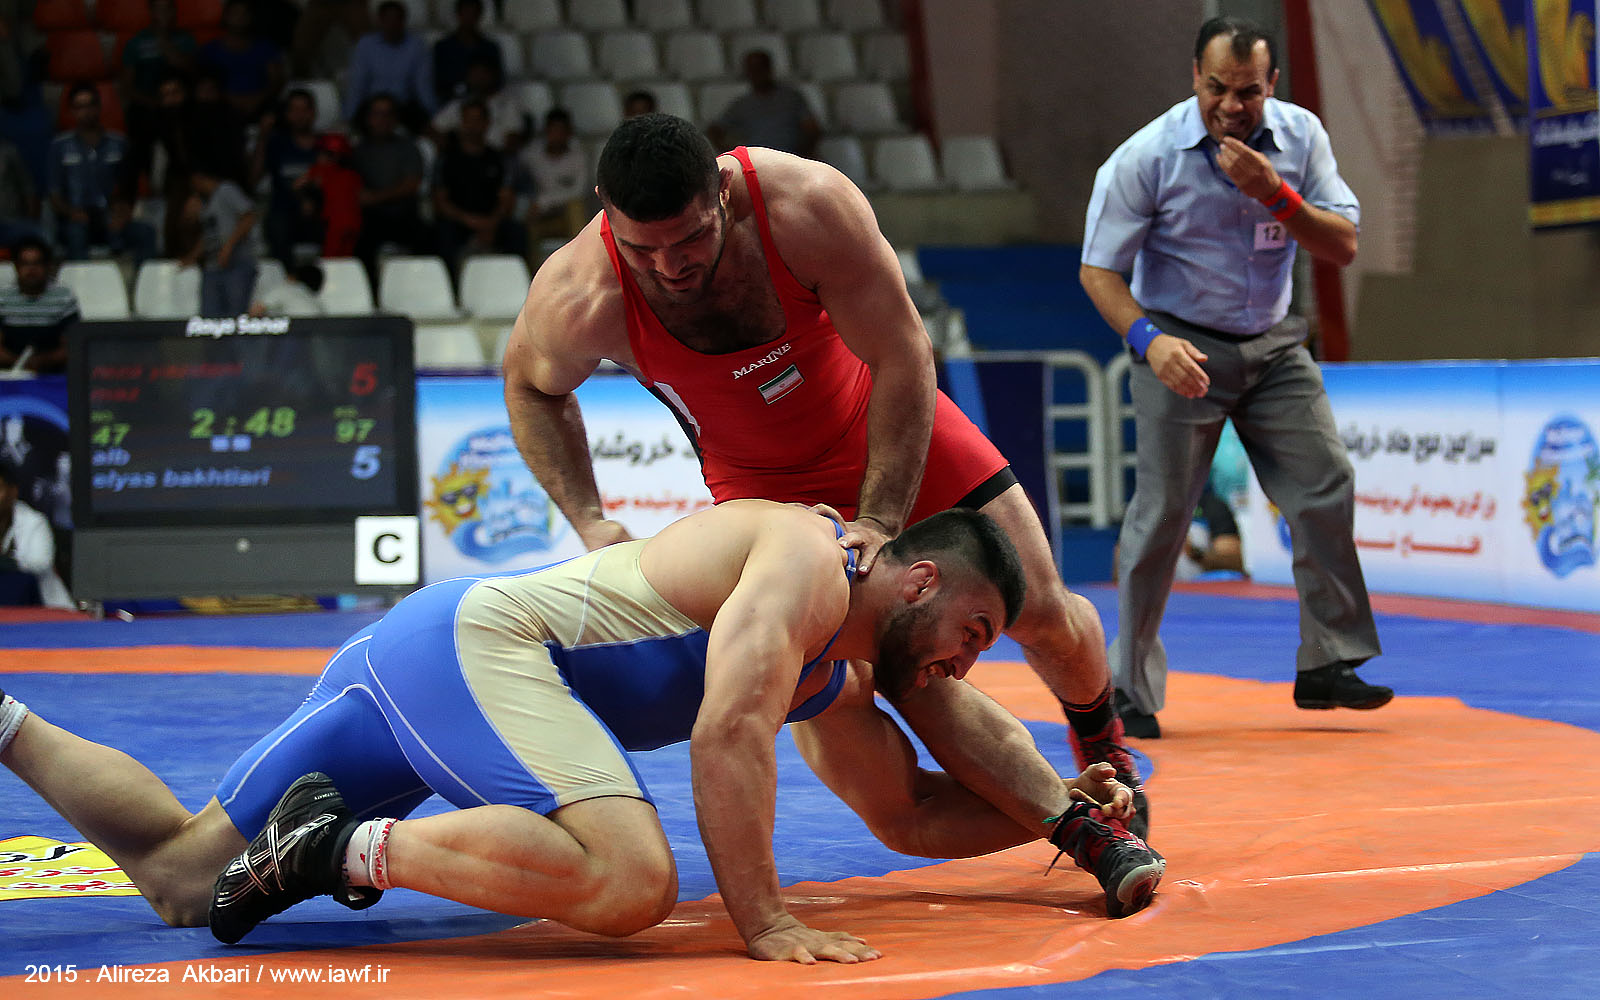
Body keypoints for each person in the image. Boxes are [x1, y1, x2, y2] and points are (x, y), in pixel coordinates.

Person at [0, 503, 1164, 964]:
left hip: (430, 666)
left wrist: (1059, 816)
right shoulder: (806, 565)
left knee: (183, 880)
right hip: (478, 649)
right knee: (630, 878)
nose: (966, 663)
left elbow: (908, 815)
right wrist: (763, 919)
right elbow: (724, 733)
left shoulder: (836, 673)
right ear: (917, 582)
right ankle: (336, 850)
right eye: (971, 631)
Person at [500, 114, 1150, 840]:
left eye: (690, 240)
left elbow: (903, 355)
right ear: (605, 211)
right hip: (762, 493)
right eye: (641, 250)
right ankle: (1059, 817)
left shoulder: (807, 207)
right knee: (877, 671)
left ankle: (1102, 743)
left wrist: (880, 518)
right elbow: (530, 386)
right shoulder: (581, 292)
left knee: (1043, 613)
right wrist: (588, 518)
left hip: (883, 426)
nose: (669, 266)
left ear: (722, 192)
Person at [1079, 16, 1390, 739]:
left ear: (1271, 85)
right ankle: (1126, 687)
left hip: (1274, 346)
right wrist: (1149, 341)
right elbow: (1098, 271)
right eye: (1216, 87)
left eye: (1247, 92)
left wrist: (1277, 194)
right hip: (1179, 345)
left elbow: (1343, 244)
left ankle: (1327, 661)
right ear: (1195, 76)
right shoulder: (1148, 156)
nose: (1230, 105)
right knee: (1162, 516)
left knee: (1325, 482)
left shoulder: (1302, 138)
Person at [47, 83, 155, 264]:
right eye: (80, 106)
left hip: (111, 217)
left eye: (90, 105)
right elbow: (54, 194)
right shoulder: (60, 146)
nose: (86, 111)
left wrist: (123, 213)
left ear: (98, 107)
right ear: (72, 111)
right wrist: (71, 212)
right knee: (76, 233)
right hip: (76, 219)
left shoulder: (119, 143)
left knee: (146, 232)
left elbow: (130, 188)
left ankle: (140, 280)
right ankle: (80, 280)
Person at [432, 98, 523, 279]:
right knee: (442, 233)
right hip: (460, 221)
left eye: (478, 120)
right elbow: (441, 202)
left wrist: (491, 223)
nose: (473, 126)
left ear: (487, 123)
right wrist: (470, 221)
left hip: (492, 220)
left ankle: (520, 282)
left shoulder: (498, 159)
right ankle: (450, 285)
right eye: (468, 120)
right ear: (461, 123)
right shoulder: (447, 160)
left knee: (517, 232)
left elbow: (507, 199)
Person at [351, 92, 427, 286]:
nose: (382, 120)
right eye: (377, 114)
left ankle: (423, 287)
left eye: (387, 114)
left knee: (428, 237)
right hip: (370, 218)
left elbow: (411, 185)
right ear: (368, 118)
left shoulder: (408, 147)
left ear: (395, 118)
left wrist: (375, 197)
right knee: (356, 237)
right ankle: (368, 290)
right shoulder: (358, 151)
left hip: (403, 215)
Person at [250, 87, 323, 265]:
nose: (299, 115)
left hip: (320, 212)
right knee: (277, 226)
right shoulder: (277, 143)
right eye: (294, 110)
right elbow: (253, 178)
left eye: (304, 109)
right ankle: (287, 277)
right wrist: (263, 136)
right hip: (284, 213)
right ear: (286, 114)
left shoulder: (326, 145)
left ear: (313, 113)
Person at [118, 0, 198, 156]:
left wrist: (164, 40)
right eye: (159, 9)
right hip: (148, 105)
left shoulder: (186, 40)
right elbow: (127, 88)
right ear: (151, 12)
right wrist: (154, 103)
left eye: (167, 8)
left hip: (180, 105)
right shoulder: (136, 43)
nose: (164, 14)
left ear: (174, 11)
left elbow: (191, 71)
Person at [707, 50, 821, 159]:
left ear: (769, 69)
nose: (756, 74)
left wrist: (803, 156)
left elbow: (812, 129)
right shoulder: (741, 105)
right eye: (752, 70)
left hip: (790, 158)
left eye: (760, 68)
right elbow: (714, 130)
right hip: (757, 163)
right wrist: (732, 155)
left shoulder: (792, 98)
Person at [343, 1, 436, 134]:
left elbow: (423, 85)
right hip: (373, 105)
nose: (392, 24)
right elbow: (358, 85)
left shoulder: (417, 46)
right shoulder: (366, 44)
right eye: (388, 20)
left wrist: (433, 114)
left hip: (404, 106)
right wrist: (349, 116)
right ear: (380, 21)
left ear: (403, 21)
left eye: (396, 20)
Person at [179, 163, 259, 318]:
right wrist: (192, 257)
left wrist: (228, 247)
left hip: (237, 264)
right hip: (213, 266)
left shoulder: (226, 190)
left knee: (234, 318)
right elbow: (208, 237)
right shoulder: (205, 201)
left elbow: (249, 217)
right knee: (209, 319)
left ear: (199, 178)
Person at [197, 0, 286, 123]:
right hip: (220, 110)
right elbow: (204, 84)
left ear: (251, 17)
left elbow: (276, 81)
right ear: (225, 16)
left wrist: (257, 100)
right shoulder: (210, 50)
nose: (240, 17)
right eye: (235, 13)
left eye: (245, 13)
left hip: (260, 108)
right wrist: (228, 100)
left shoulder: (266, 48)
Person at [0, 236, 78, 375]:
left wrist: (41, 361)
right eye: (25, 264)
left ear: (47, 266)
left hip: (54, 373)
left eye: (37, 263)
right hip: (9, 374)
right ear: (16, 267)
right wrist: (20, 363)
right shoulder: (3, 298)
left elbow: (71, 347)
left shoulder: (64, 297)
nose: (31, 270)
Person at [0, 459, 71, 607]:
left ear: (13, 491)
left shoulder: (34, 521)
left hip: (41, 606)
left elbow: (41, 563)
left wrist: (9, 562)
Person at [519, 107, 588, 252]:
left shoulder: (578, 157)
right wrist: (534, 205)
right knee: (525, 220)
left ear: (569, 133)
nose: (557, 136)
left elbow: (578, 191)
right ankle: (532, 265)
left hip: (564, 215)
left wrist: (544, 202)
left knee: (575, 208)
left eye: (561, 131)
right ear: (546, 131)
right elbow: (520, 184)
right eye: (553, 130)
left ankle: (582, 259)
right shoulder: (530, 155)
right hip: (537, 215)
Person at [432, 0, 502, 108]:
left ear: (479, 16)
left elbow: (498, 81)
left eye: (473, 14)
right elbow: (440, 83)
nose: (469, 18)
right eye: (466, 13)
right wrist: (466, 84)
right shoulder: (443, 48)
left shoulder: (490, 48)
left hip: (486, 103)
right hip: (453, 103)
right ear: (458, 15)